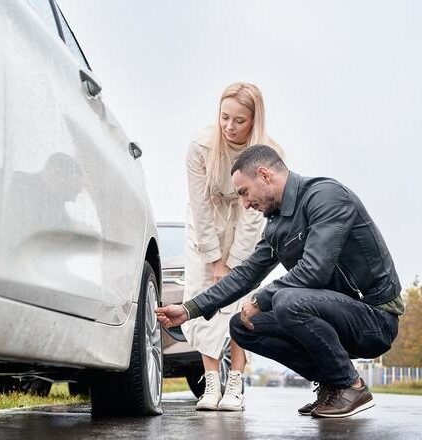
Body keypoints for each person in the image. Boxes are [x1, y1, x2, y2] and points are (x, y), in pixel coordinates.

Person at [157, 145, 403, 418]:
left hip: (374, 319)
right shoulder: (276, 225)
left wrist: (261, 299)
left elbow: (314, 270)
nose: (245, 204)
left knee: (287, 301)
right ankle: (332, 383)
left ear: (264, 175)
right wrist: (190, 309)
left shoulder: (327, 197)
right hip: (331, 314)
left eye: (244, 192)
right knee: (241, 326)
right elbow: (245, 274)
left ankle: (350, 386)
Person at [182, 82, 283, 411]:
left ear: (254, 120)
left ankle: (236, 383)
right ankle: (211, 383)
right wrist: (214, 261)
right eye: (224, 117)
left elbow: (256, 214)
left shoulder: (268, 153)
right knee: (203, 300)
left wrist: (234, 266)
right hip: (206, 225)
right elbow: (199, 206)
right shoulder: (199, 146)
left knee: (238, 302)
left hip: (246, 221)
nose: (229, 126)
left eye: (239, 120)